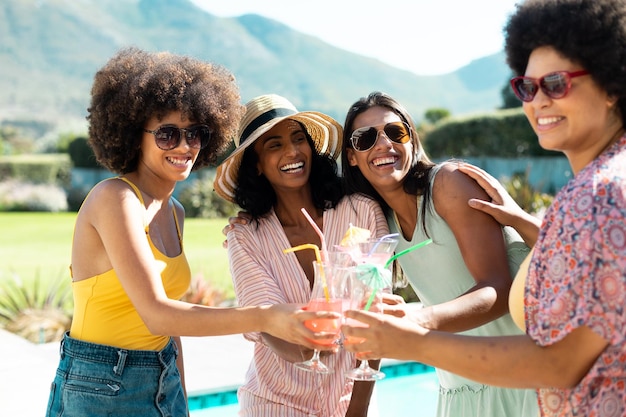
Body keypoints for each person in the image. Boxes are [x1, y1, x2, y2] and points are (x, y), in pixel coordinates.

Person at [343, 0, 626, 416]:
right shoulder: (600, 187)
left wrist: (412, 334)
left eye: (556, 83)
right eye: (527, 88)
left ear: (613, 82)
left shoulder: (599, 193)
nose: (538, 102)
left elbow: (562, 362)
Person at [45, 48, 338, 417]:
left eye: (195, 133)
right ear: (135, 135)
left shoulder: (174, 211)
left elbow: (170, 329)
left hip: (160, 378)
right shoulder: (115, 199)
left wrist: (178, 395)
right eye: (168, 134)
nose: (185, 146)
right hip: (100, 385)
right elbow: (157, 313)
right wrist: (265, 316)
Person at [339, 89, 539, 417]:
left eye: (395, 131)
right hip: (461, 388)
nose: (384, 144)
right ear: (351, 156)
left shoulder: (448, 184)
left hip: (526, 376)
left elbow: (498, 289)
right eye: (365, 139)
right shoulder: (375, 220)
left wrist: (419, 319)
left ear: (411, 138)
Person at [213, 93, 390, 417]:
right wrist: (306, 349)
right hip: (274, 405)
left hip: (352, 403)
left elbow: (374, 313)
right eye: (274, 145)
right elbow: (264, 321)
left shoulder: (361, 213)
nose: (293, 151)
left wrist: (358, 408)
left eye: (299, 139)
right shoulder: (246, 237)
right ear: (257, 164)